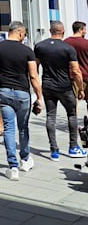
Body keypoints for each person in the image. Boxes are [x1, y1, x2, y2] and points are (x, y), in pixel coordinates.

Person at [0, 21, 43, 181]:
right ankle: (25, 160)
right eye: (24, 34)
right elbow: (33, 76)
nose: (24, 37)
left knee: (9, 129)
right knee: (23, 128)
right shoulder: (27, 51)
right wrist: (39, 97)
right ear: (19, 31)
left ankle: (13, 167)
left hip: (4, 92)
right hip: (22, 93)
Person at [34, 21, 86, 160]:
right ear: (62, 32)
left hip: (48, 86)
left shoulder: (40, 46)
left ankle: (54, 151)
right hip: (65, 87)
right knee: (72, 115)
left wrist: (37, 84)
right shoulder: (67, 48)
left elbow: (34, 67)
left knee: (51, 116)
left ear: (50, 31)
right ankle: (73, 147)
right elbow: (76, 71)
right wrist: (81, 89)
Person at [65, 21, 88, 104]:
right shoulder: (86, 43)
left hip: (70, 77)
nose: (85, 32)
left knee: (73, 104)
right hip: (85, 76)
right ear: (80, 30)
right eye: (84, 30)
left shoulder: (65, 42)